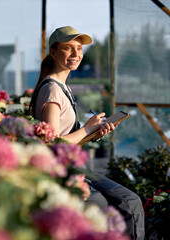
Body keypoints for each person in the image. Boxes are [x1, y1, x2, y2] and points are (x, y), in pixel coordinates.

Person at [28, 26, 145, 240]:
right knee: (118, 204)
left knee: (130, 201)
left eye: (79, 48)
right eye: (68, 48)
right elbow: (52, 144)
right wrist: (87, 128)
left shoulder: (61, 86)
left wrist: (94, 133)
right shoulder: (52, 90)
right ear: (53, 52)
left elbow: (66, 139)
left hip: (75, 166)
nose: (76, 54)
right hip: (64, 172)